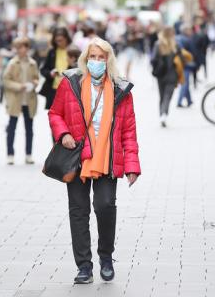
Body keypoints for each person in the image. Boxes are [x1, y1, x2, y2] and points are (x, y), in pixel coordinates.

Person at [48, 37, 140, 284]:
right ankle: (84, 266)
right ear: (85, 59)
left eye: (101, 57)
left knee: (105, 206)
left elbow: (129, 131)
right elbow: (55, 113)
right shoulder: (71, 83)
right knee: (79, 211)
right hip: (78, 157)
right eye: (92, 57)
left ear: (109, 60)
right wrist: (63, 133)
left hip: (108, 159)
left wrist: (132, 165)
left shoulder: (121, 89)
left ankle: (106, 257)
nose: (97, 62)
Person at [2, 37, 40, 165]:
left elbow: (36, 78)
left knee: (29, 129)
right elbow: (6, 80)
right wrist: (19, 86)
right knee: (11, 128)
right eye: (18, 47)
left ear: (27, 48)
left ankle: (28, 154)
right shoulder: (12, 63)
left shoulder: (32, 63)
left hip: (29, 100)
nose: (20, 50)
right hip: (15, 100)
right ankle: (10, 154)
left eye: (23, 47)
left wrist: (34, 83)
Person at [151, 27, 192, 127]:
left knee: (161, 95)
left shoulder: (158, 44)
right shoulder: (176, 45)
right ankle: (164, 114)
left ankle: (161, 114)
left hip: (160, 74)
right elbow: (182, 59)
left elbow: (153, 59)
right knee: (167, 96)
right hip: (172, 74)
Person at [39, 27, 72, 109]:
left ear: (66, 39)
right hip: (53, 90)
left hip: (68, 91)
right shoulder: (52, 52)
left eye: (61, 40)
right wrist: (50, 74)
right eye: (56, 41)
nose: (58, 43)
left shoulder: (73, 51)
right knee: (53, 118)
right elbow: (43, 69)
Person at [176, 25, 197, 108]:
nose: (191, 32)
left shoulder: (176, 38)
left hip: (177, 64)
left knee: (186, 82)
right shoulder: (187, 40)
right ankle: (179, 101)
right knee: (184, 83)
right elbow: (193, 53)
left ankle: (189, 100)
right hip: (186, 64)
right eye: (189, 30)